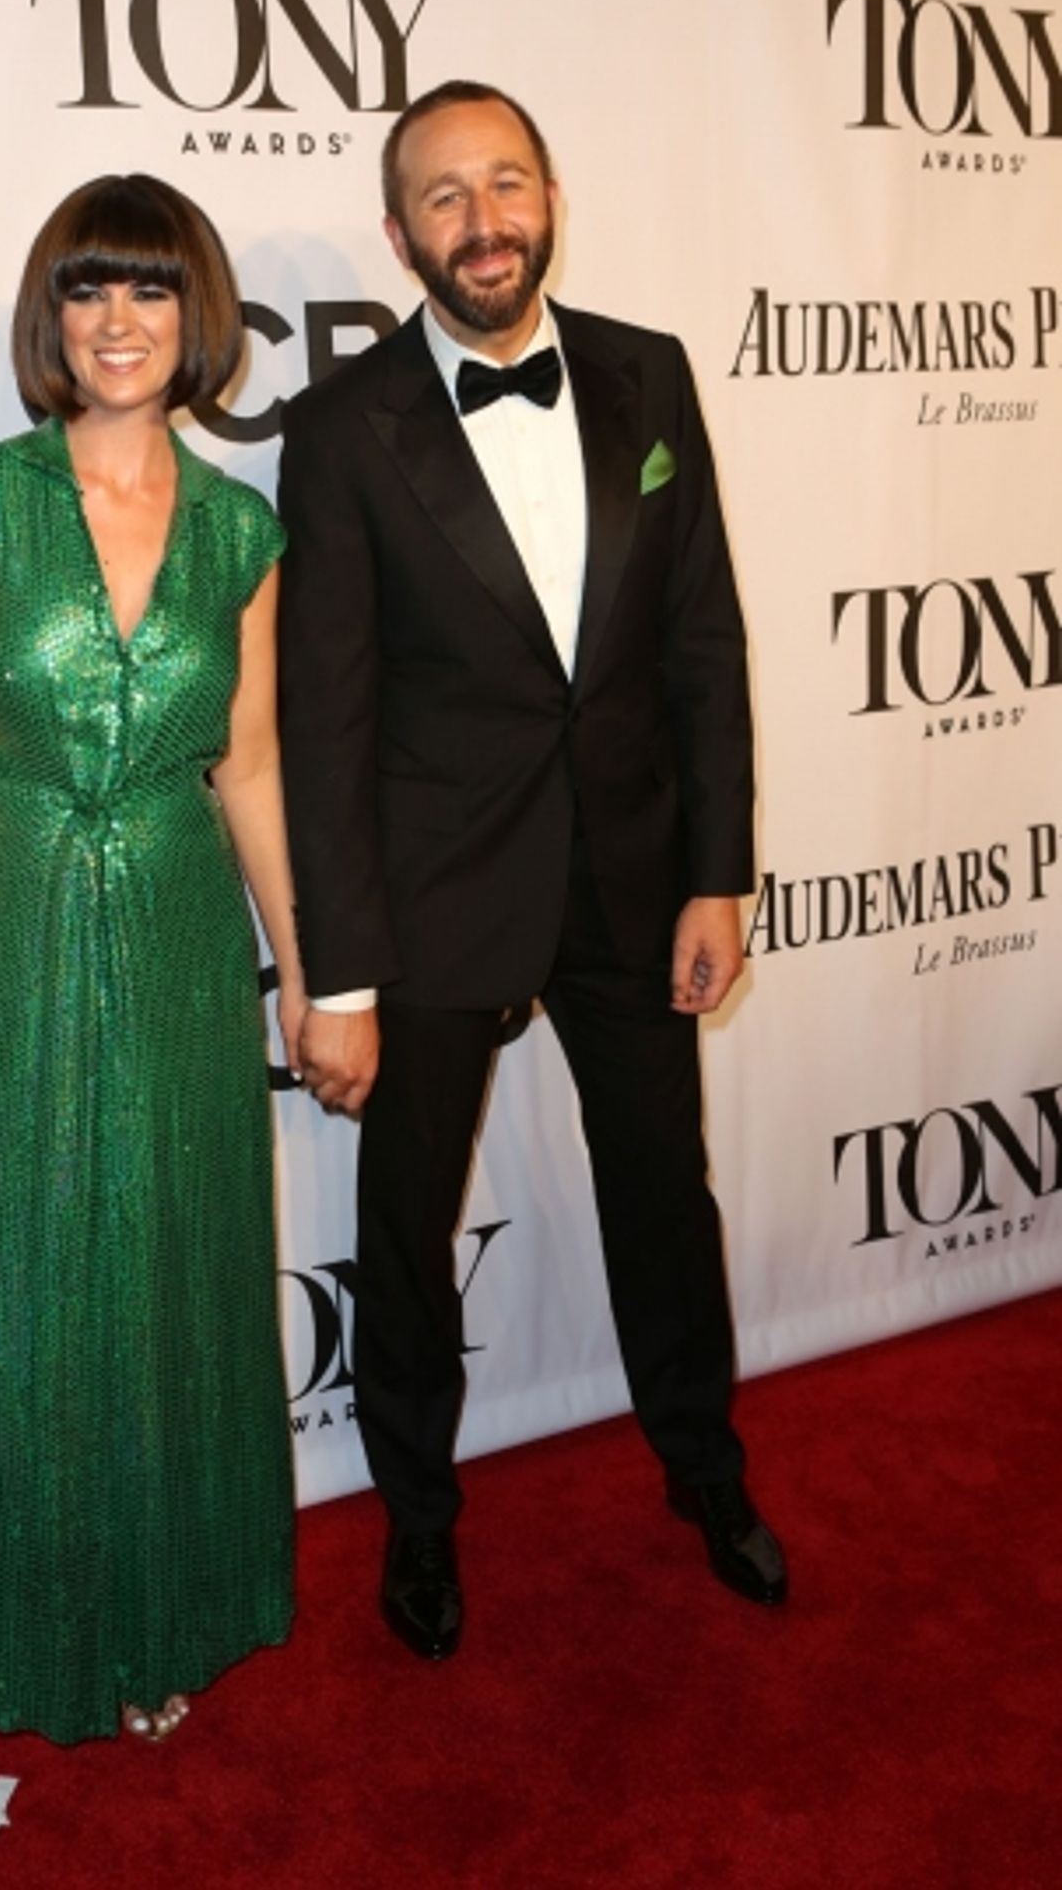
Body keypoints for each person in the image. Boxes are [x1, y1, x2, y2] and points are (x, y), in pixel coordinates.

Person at [277, 80, 785, 1664]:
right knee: (408, 1226)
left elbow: (702, 634)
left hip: (635, 876)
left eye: (506, 183)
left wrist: (718, 872)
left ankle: (705, 1467)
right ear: (399, 231)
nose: (483, 220)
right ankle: (420, 1516)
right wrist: (340, 971)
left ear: (551, 192)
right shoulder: (344, 427)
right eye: (444, 195)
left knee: (662, 1192)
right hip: (436, 893)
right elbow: (325, 714)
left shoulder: (650, 374)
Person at [0, 173, 301, 1743]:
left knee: (174, 1251)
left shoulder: (242, 525)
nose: (121, 323)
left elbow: (250, 763)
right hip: (12, 904)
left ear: (197, 317)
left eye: (152, 291)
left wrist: (304, 968)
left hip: (177, 912)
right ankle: (55, 1614)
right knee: (33, 1267)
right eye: (92, 291)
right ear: (55, 315)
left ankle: (171, 1606)